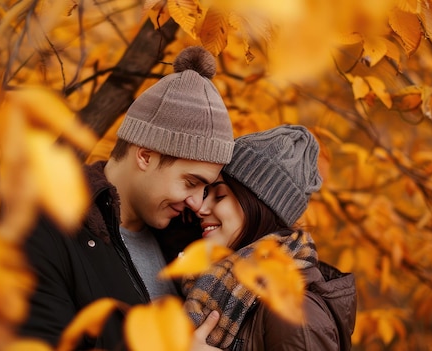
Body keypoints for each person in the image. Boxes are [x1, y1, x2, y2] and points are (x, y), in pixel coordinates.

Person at [19, 46, 234, 350]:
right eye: (190, 182)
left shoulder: (182, 241)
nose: (197, 204)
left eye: (206, 189)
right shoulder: (46, 230)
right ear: (145, 156)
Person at [179, 125, 357, 350]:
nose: (201, 208)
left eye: (220, 195)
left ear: (259, 206)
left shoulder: (296, 314)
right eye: (206, 194)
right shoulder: (216, 286)